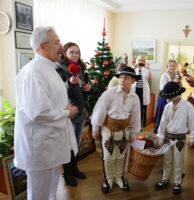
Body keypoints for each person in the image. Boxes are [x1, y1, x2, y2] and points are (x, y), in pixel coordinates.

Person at [14, 26, 79, 200]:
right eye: (57, 42)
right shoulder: (33, 72)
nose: (61, 47)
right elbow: (38, 112)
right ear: (42, 46)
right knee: (38, 194)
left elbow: (53, 99)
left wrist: (65, 107)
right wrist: (67, 113)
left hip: (51, 145)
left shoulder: (49, 68)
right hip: (39, 147)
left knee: (50, 191)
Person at [91, 66, 141, 193]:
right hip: (108, 130)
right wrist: (95, 128)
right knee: (108, 157)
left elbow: (135, 117)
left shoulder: (134, 98)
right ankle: (108, 179)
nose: (123, 80)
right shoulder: (110, 93)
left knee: (121, 156)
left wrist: (133, 133)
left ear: (133, 81)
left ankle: (119, 178)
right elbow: (100, 111)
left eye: (126, 78)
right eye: (121, 77)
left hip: (124, 130)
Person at [155, 82, 194, 195]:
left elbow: (193, 122)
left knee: (178, 161)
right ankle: (165, 179)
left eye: (170, 97)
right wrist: (161, 138)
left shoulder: (187, 107)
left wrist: (193, 138)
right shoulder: (167, 106)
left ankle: (177, 182)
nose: (168, 99)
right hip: (167, 139)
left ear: (177, 95)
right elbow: (163, 123)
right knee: (167, 160)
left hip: (179, 140)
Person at [56, 42, 92, 186]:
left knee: (76, 143)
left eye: (77, 52)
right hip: (69, 114)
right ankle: (67, 173)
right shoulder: (59, 69)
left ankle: (75, 168)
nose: (75, 55)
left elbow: (81, 90)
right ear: (64, 53)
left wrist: (88, 89)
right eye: (72, 52)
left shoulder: (80, 68)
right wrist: (70, 83)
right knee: (68, 145)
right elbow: (59, 92)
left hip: (81, 112)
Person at [153, 60, 180, 134]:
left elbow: (179, 88)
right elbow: (163, 88)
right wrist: (174, 82)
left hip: (174, 99)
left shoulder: (176, 75)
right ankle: (161, 133)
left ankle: (169, 132)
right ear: (167, 67)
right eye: (170, 66)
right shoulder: (164, 75)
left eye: (173, 65)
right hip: (164, 99)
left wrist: (180, 83)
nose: (172, 67)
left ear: (176, 67)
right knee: (163, 117)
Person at [133, 55, 151, 128]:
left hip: (143, 91)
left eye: (142, 60)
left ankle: (140, 125)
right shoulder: (134, 68)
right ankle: (134, 124)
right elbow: (131, 77)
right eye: (140, 60)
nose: (141, 61)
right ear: (137, 61)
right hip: (135, 90)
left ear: (144, 62)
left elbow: (149, 78)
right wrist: (133, 68)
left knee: (142, 108)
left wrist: (149, 69)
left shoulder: (146, 70)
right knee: (135, 108)